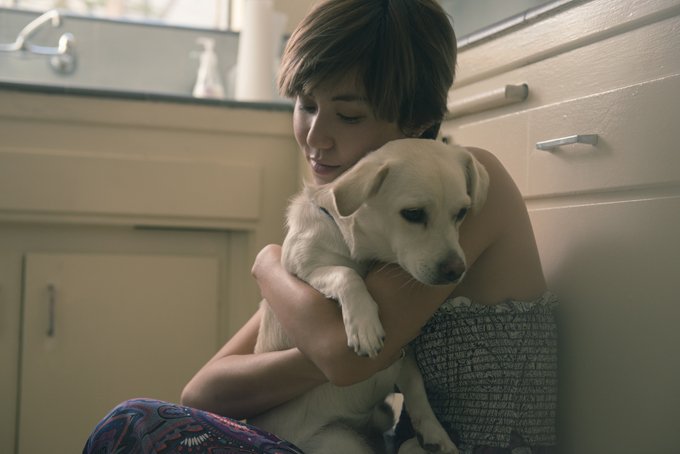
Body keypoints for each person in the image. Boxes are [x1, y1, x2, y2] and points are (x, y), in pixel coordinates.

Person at [83, 0, 559, 453]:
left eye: (349, 115)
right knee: (138, 422)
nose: (315, 137)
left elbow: (346, 358)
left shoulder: (460, 188)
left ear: (416, 122)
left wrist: (269, 265)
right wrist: (314, 329)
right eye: (307, 105)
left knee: (134, 425)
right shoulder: (365, 223)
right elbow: (204, 390)